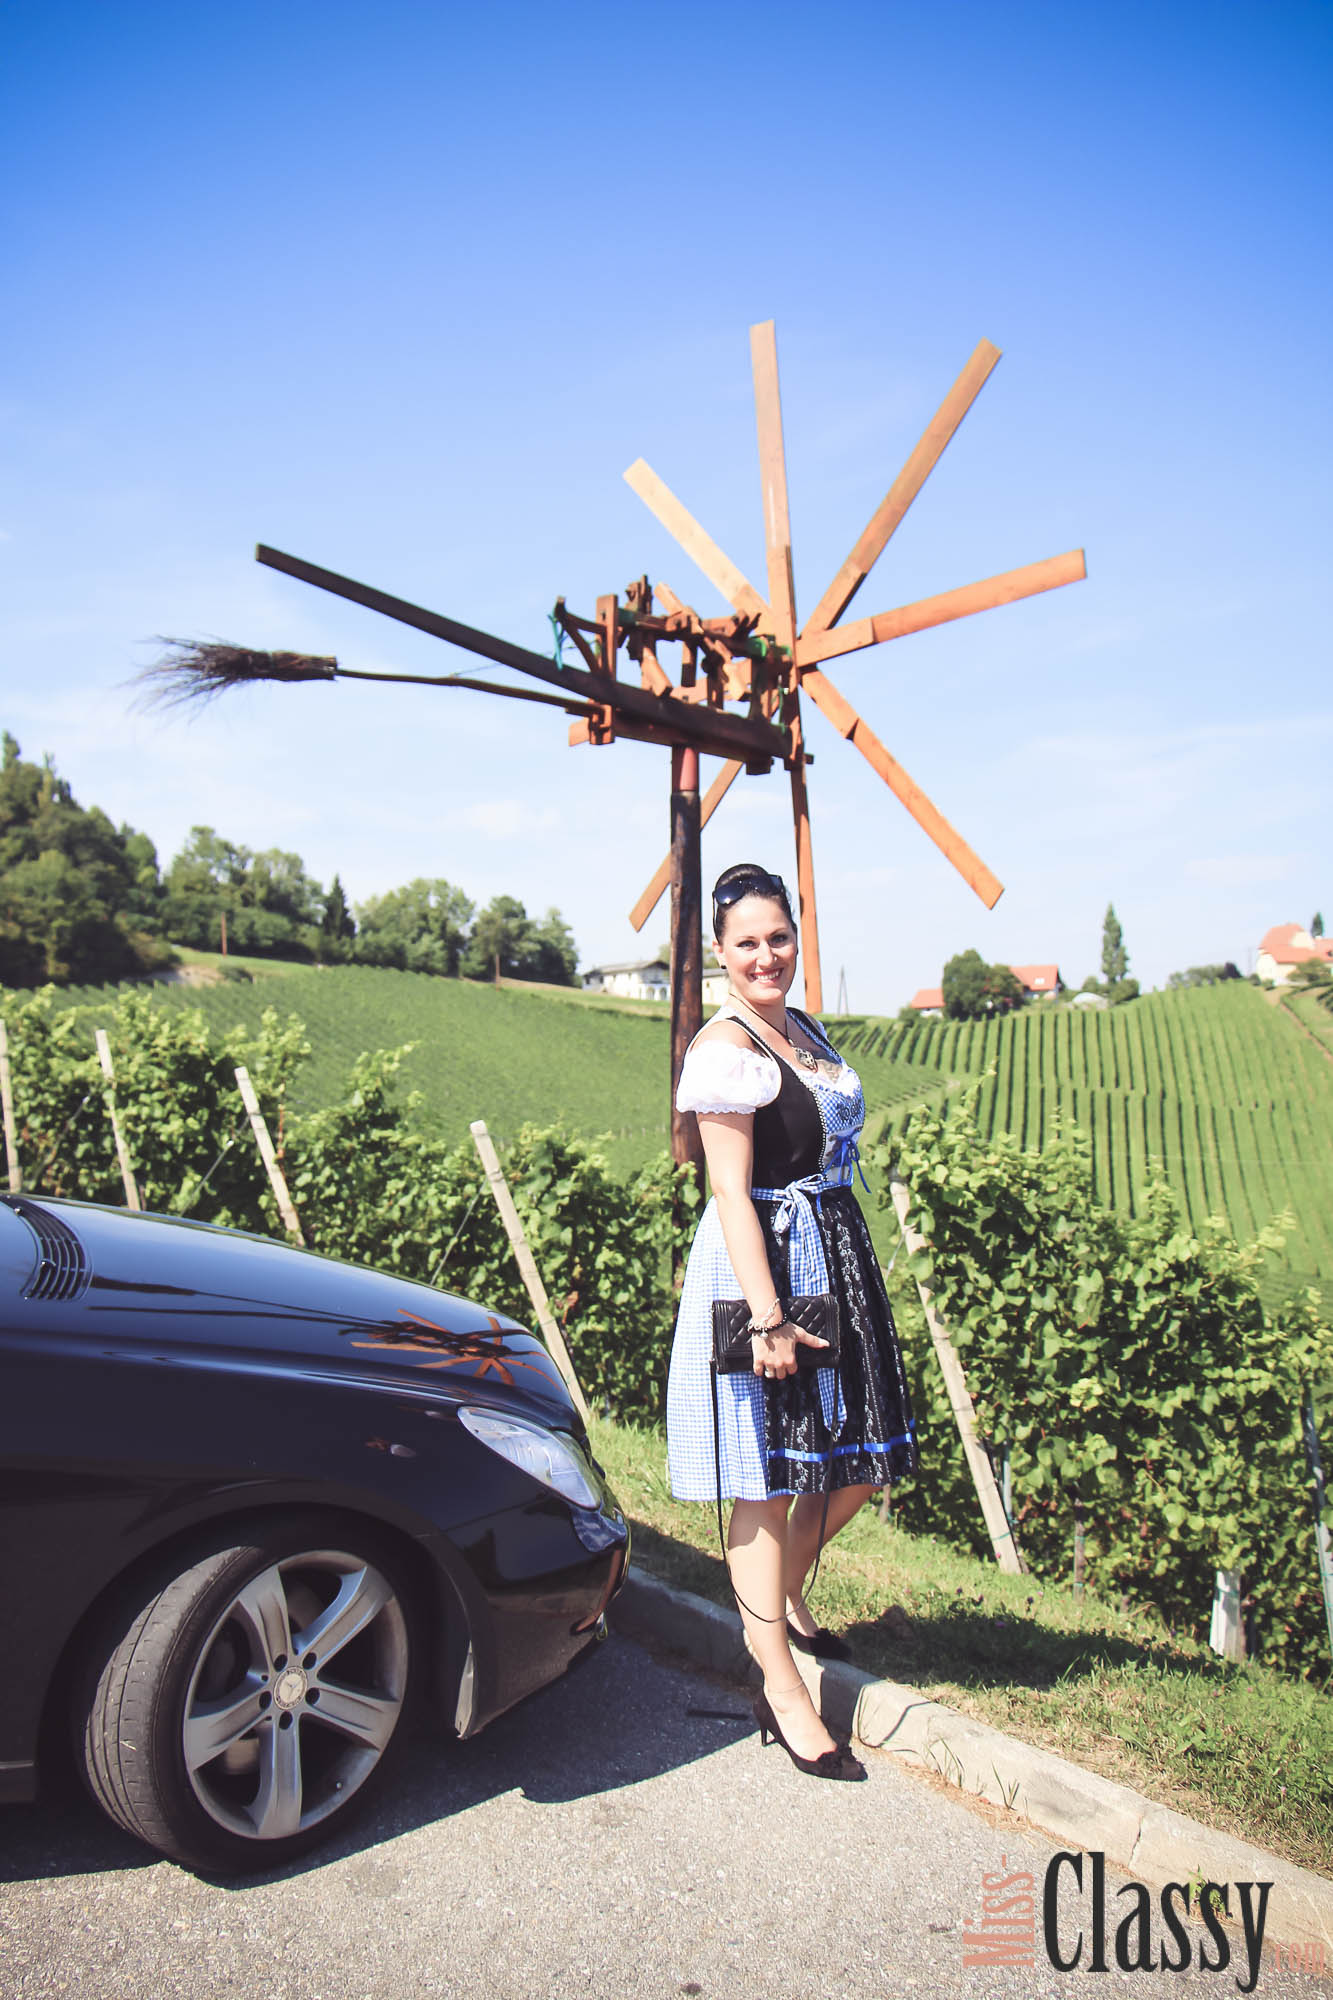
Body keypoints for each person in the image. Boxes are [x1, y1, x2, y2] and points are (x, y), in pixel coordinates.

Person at [665, 862, 919, 1782]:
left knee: (858, 1457)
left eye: (779, 938)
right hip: (765, 1262)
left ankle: (781, 1594)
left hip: (834, 1253)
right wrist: (767, 1316)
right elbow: (729, 1188)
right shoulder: (724, 1047)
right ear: (719, 955)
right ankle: (778, 1683)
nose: (766, 955)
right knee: (769, 1476)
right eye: (747, 944)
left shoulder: (801, 1028)